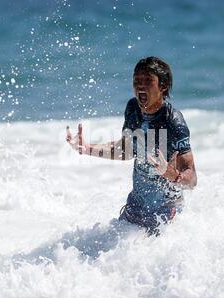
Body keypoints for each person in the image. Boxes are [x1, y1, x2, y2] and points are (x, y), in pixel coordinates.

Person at [66, 56, 197, 235]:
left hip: (166, 211)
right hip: (136, 206)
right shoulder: (133, 109)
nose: (140, 86)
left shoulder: (174, 121)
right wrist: (87, 148)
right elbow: (126, 151)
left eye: (148, 81)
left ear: (163, 86)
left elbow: (192, 180)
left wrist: (172, 175)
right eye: (137, 81)